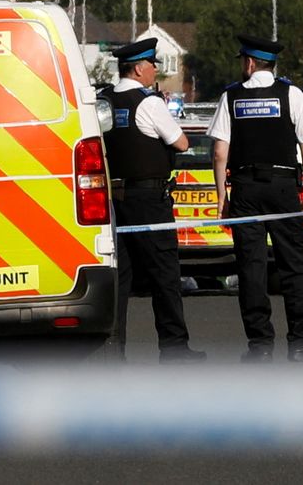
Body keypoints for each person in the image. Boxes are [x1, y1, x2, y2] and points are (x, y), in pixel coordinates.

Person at [210, 34, 303, 363]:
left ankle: (260, 345)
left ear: (250, 63)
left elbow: (220, 153)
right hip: (282, 188)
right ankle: (301, 343)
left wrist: (223, 196)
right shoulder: (291, 94)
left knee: (251, 269)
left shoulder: (231, 97)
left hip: (246, 190)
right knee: (293, 266)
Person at [103, 38, 205, 364]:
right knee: (164, 273)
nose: (156, 70)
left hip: (113, 199)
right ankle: (174, 348)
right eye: (152, 64)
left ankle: (113, 351)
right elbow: (182, 143)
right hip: (148, 198)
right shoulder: (148, 103)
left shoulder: (102, 100)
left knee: (120, 278)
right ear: (138, 68)